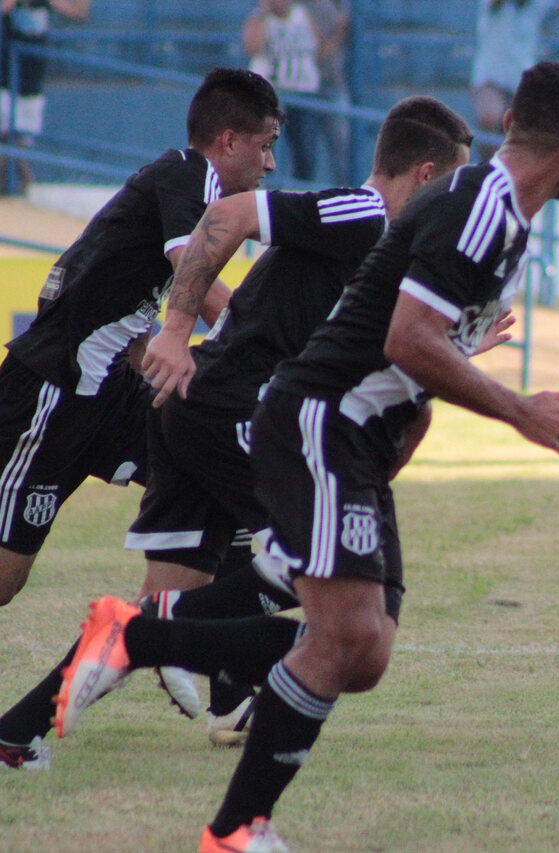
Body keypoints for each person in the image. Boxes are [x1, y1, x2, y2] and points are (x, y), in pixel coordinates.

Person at [55, 61, 559, 852]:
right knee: (343, 635)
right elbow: (407, 339)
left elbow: (419, 348)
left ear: (514, 118)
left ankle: (141, 641)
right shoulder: (480, 209)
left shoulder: (499, 216)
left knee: (367, 648)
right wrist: (516, 408)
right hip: (317, 418)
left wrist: (394, 454)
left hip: (352, 434)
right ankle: (235, 825)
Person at [0, 98, 473, 770]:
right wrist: (175, 328)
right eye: (453, 186)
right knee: (319, 572)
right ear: (426, 175)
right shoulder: (361, 212)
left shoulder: (385, 252)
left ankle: (17, 731)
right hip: (226, 408)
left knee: (169, 608)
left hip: (195, 411)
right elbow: (226, 215)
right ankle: (218, 682)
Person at [0, 67, 280, 612]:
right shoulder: (189, 173)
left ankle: (215, 651)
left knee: (217, 475)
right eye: (266, 146)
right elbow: (190, 269)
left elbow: (120, 298)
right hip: (52, 394)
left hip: (111, 392)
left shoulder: (179, 187)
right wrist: (267, 344)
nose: (271, 163)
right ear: (229, 141)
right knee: (5, 581)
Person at [471, 0, 559, 162]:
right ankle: (490, 172)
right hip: (490, 79)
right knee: (489, 118)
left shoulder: (539, 6)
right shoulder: (494, 5)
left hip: (522, 83)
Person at [0, 0, 92, 194]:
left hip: (32, 82)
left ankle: (23, 185)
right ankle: (26, 184)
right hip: (7, 79)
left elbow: (79, 13)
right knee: (7, 137)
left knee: (21, 140)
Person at [244, 0, 323, 182]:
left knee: (306, 152)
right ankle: (266, 192)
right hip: (272, 96)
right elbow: (251, 47)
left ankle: (301, 194)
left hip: (304, 93)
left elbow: (316, 45)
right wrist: (262, 14)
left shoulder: (302, 15)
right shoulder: (260, 18)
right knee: (268, 147)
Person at [303, 0, 351, 185]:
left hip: (333, 84)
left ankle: (343, 194)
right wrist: (337, 35)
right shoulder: (301, 8)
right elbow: (317, 51)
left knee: (340, 149)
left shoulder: (339, 5)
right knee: (305, 150)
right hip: (304, 86)